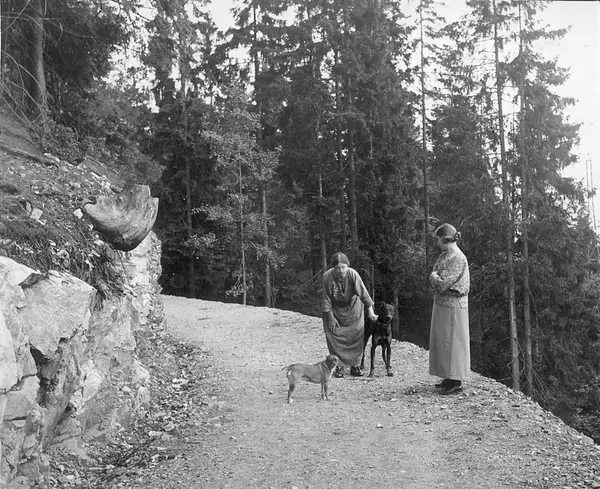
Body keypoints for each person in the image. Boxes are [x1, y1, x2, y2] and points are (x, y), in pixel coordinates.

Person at [428, 223, 471, 394]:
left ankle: (456, 380)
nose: (437, 243)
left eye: (439, 240)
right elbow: (434, 276)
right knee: (443, 341)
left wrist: (436, 278)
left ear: (446, 239)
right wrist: (436, 278)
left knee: (454, 342)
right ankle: (447, 376)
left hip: (455, 307)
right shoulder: (443, 256)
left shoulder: (459, 259)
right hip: (441, 305)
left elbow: (442, 284)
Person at [322, 252, 378, 378]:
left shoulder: (353, 274)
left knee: (356, 335)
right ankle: (339, 366)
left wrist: (371, 312)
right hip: (334, 310)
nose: (341, 271)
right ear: (333, 268)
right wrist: (330, 318)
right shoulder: (327, 277)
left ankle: (355, 366)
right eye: (338, 268)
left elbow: (363, 293)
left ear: (347, 266)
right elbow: (326, 299)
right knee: (334, 337)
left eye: (344, 267)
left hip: (353, 309)